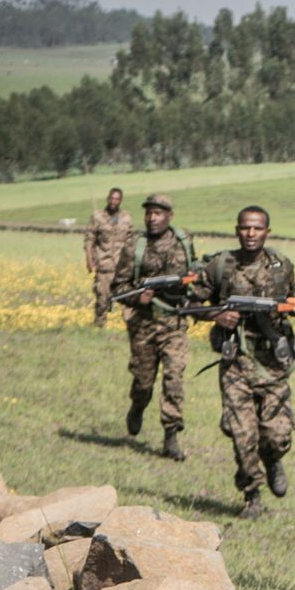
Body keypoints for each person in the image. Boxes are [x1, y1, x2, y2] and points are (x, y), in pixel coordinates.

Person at [194, 206, 295, 520]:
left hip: (272, 365)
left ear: (267, 231)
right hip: (236, 361)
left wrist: (289, 310)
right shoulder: (221, 266)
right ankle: (252, 496)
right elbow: (191, 303)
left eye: (257, 228)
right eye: (245, 228)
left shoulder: (282, 267)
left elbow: (293, 300)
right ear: (237, 230)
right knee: (242, 435)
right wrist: (217, 314)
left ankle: (272, 458)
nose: (251, 234)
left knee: (278, 435)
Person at [111, 193, 196, 460]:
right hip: (143, 325)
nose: (152, 218)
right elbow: (118, 287)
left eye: (158, 213)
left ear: (170, 216)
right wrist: (138, 296)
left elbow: (197, 277)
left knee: (174, 378)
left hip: (174, 324)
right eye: (149, 213)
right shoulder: (135, 246)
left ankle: (171, 435)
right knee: (143, 381)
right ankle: (138, 405)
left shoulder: (184, 242)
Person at [84, 187, 133, 327]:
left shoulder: (126, 218)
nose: (113, 201)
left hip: (122, 267)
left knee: (128, 298)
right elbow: (89, 239)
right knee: (102, 299)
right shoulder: (98, 216)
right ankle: (99, 326)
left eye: (116, 199)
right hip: (104, 264)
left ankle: (129, 328)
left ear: (121, 201)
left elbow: (130, 240)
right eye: (111, 198)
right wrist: (89, 259)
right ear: (107, 199)